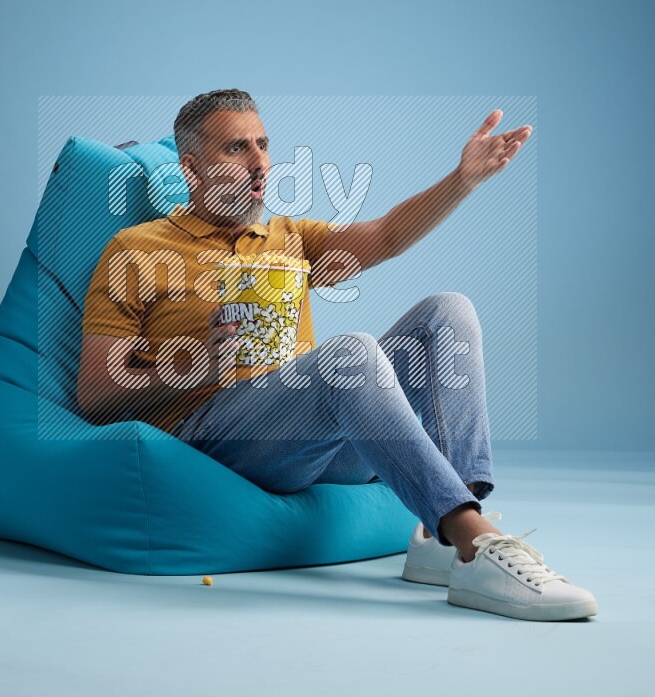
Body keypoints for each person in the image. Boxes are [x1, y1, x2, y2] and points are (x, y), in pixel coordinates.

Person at [77, 89, 597, 621]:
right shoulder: (136, 249)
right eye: (236, 148)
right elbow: (94, 395)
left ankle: (446, 539)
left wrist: (461, 180)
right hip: (217, 444)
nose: (260, 163)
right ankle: (476, 542)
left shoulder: (289, 237)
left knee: (447, 312)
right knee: (349, 353)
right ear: (191, 168)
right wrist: (196, 365)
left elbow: (387, 234)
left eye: (263, 144)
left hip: (309, 441)